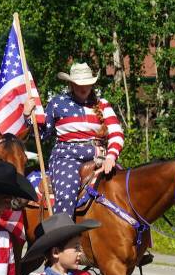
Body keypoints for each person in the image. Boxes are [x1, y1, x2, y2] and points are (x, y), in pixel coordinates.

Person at [26, 62, 124, 216]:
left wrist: (111, 156)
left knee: (124, 188)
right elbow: (41, 134)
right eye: (78, 84)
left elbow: (116, 133)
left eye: (87, 84)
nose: (83, 88)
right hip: (66, 157)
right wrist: (28, 116)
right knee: (66, 194)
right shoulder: (57, 103)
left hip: (101, 156)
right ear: (71, 84)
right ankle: (63, 236)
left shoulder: (103, 104)